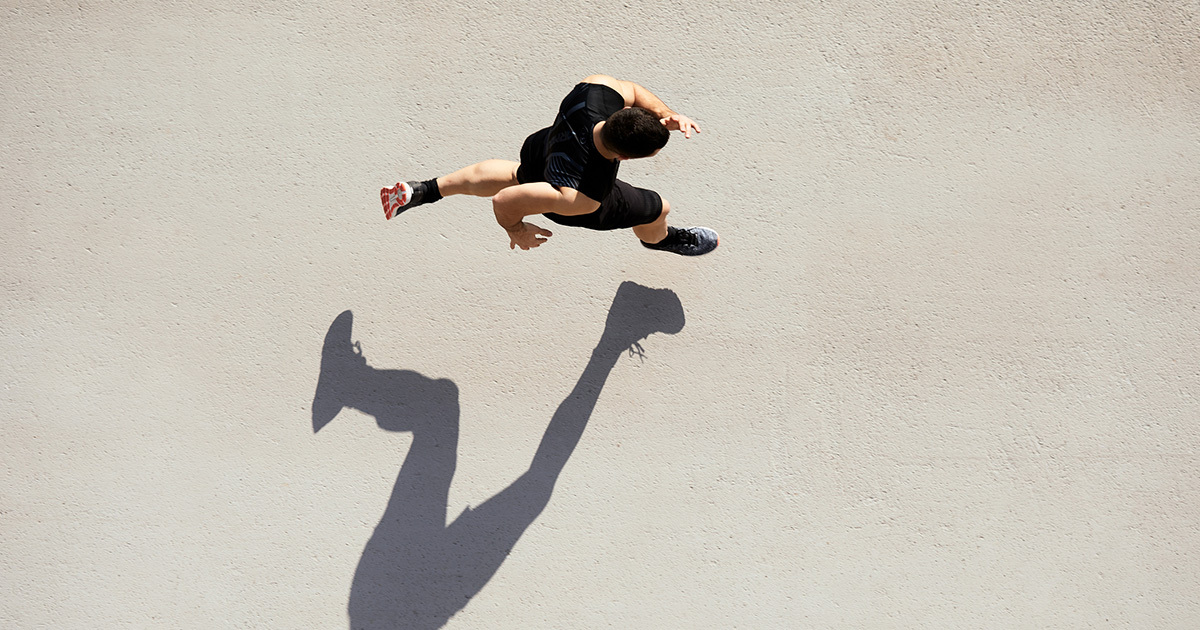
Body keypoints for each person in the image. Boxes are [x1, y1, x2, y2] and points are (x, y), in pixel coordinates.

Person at [381, 74, 719, 256]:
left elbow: (629, 88)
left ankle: (422, 191)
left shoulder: (596, 91)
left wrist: (664, 117)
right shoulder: (584, 195)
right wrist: (517, 231)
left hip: (545, 149)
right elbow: (505, 202)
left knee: (518, 175)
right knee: (659, 207)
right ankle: (658, 240)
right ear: (624, 158)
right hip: (569, 193)